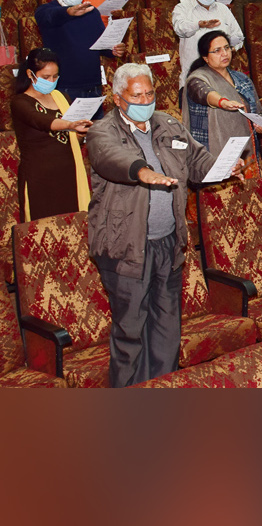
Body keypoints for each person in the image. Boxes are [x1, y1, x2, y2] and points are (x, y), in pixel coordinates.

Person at [88, 63, 240, 387]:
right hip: (125, 248)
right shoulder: (103, 131)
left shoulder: (169, 125)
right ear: (118, 98)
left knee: (166, 331)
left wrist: (225, 167)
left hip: (168, 245)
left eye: (150, 93)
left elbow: (199, 162)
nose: (146, 100)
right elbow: (110, 158)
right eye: (137, 95)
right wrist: (143, 172)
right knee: (130, 335)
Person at [10, 48, 92, 220]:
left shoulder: (61, 96)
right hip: (40, 180)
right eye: (46, 77)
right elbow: (41, 121)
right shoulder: (20, 102)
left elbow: (74, 139)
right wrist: (70, 124)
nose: (51, 81)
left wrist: (81, 132)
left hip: (69, 175)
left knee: (74, 229)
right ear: (30, 74)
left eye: (55, 77)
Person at [38, 0, 127, 102]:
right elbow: (49, 16)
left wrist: (114, 49)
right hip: (65, 87)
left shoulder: (91, 12)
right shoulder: (46, 10)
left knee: (96, 123)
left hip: (93, 85)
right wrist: (68, 12)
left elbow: (102, 45)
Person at [184, 29, 262, 157]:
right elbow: (204, 93)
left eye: (227, 48)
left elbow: (259, 113)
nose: (224, 53)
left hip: (247, 150)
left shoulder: (242, 79)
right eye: (217, 51)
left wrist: (261, 125)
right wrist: (222, 102)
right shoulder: (197, 79)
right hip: (212, 153)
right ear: (205, 58)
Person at [172, 0, 246, 90]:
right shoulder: (182, 9)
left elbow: (238, 36)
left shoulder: (223, 9)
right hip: (194, 77)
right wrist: (199, 24)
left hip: (223, 78)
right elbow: (180, 29)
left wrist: (230, 49)